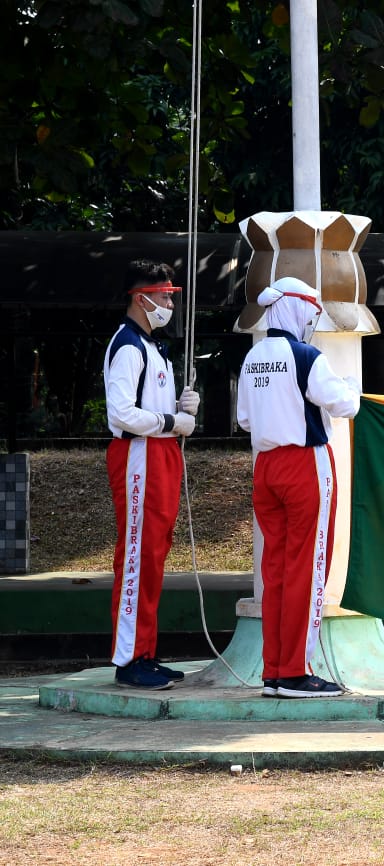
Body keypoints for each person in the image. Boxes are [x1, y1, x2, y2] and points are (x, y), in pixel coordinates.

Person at [236, 276, 360, 699]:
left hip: (265, 466)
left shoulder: (253, 358)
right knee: (308, 569)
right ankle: (295, 672)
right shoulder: (307, 355)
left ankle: (274, 670)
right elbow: (346, 405)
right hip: (305, 463)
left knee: (277, 570)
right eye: (310, 310)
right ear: (296, 309)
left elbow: (246, 421)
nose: (312, 319)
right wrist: (351, 388)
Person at [103, 259, 200, 690]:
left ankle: (145, 649)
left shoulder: (151, 346)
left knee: (155, 552)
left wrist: (181, 413)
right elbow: (122, 414)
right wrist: (170, 421)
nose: (168, 303)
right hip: (139, 455)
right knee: (138, 552)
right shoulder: (128, 346)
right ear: (141, 297)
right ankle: (128, 658)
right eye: (163, 295)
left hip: (158, 454)